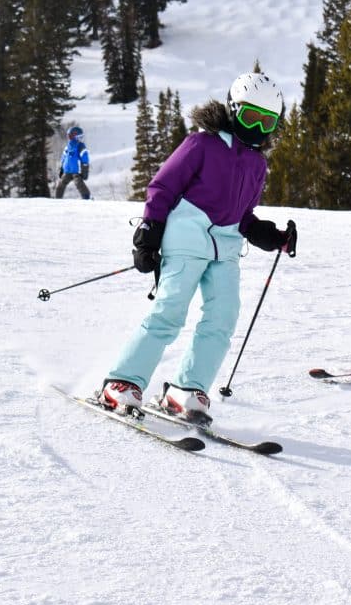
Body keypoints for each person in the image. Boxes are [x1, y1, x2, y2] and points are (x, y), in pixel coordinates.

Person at [97, 72, 297, 419]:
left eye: (268, 123)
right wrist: (149, 232)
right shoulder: (202, 144)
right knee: (169, 313)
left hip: (227, 250)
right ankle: (122, 382)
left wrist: (270, 235)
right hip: (186, 241)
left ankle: (187, 388)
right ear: (234, 109)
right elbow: (162, 187)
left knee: (222, 319)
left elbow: (243, 214)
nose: (258, 129)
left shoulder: (257, 164)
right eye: (251, 117)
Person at [55, 126, 91, 199]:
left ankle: (87, 197)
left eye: (70, 136)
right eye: (68, 136)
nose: (69, 138)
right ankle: (57, 199)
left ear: (76, 136)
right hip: (67, 171)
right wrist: (61, 168)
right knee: (61, 185)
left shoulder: (80, 146)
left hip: (76, 171)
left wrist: (85, 170)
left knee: (79, 184)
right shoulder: (68, 146)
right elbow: (64, 157)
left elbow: (85, 158)